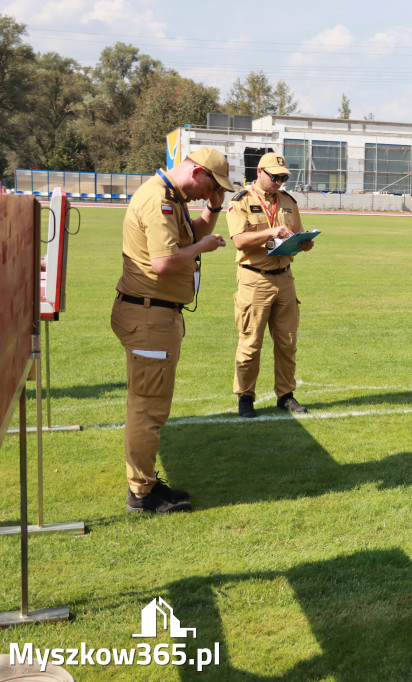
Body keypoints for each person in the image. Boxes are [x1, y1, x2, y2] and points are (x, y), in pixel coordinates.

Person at [111, 147, 232, 513]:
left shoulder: (171, 196)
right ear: (197, 172)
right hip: (150, 317)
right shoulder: (159, 200)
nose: (210, 193)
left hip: (154, 314)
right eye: (212, 185)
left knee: (148, 405)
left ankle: (144, 485)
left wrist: (213, 208)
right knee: (147, 409)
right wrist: (203, 248)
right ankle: (142, 494)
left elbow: (190, 232)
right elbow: (163, 262)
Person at [228, 152, 314, 419]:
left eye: (283, 178)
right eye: (274, 177)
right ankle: (245, 397)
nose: (279, 182)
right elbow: (239, 241)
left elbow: (297, 233)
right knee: (251, 342)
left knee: (287, 342)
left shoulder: (288, 202)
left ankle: (285, 395)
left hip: (285, 277)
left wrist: (305, 243)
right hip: (255, 278)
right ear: (259, 173)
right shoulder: (241, 201)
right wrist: (270, 232)